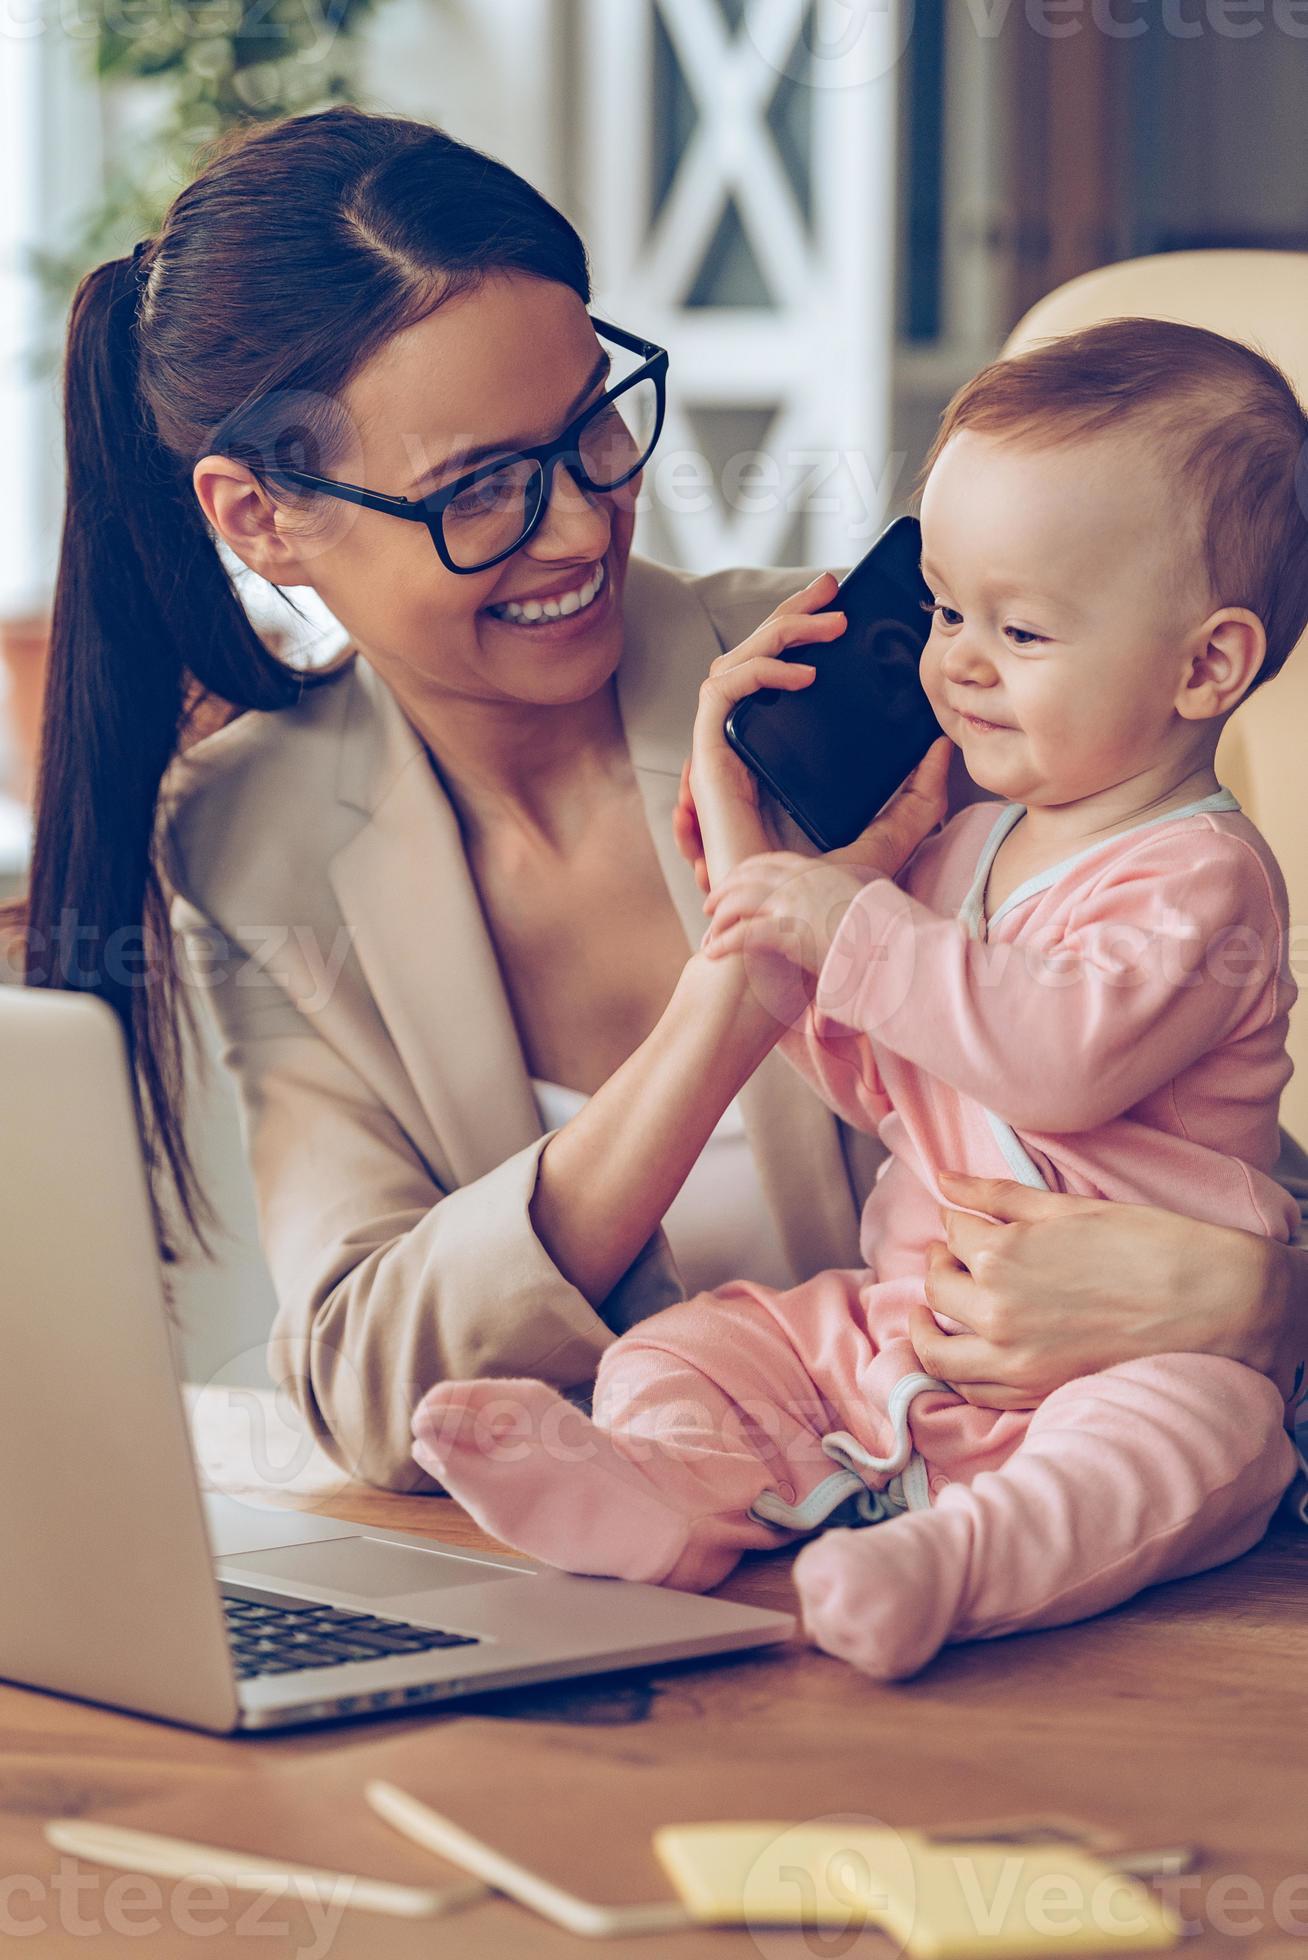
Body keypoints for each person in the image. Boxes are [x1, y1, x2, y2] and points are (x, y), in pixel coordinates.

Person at [12, 105, 1307, 1496]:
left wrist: (1262, 1304)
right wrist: (739, 988)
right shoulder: (249, 836)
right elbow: (369, 1388)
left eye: (591, 430)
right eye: (483, 489)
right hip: (655, 1592)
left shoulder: (872, 685)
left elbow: (1189, 1124)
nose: (579, 525)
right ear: (260, 517)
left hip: (1024, 1546)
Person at [411, 320, 1308, 1677]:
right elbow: (897, 1080)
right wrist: (776, 911)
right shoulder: (969, 840)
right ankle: (668, 1488)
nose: (955, 662)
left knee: (1200, 1439)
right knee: (704, 1340)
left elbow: (1053, 1060)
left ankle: (954, 1563)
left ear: (1204, 669)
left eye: (1019, 629)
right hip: (907, 1326)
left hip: (1124, 1355)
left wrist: (853, 927)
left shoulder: (1201, 880)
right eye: (945, 610)